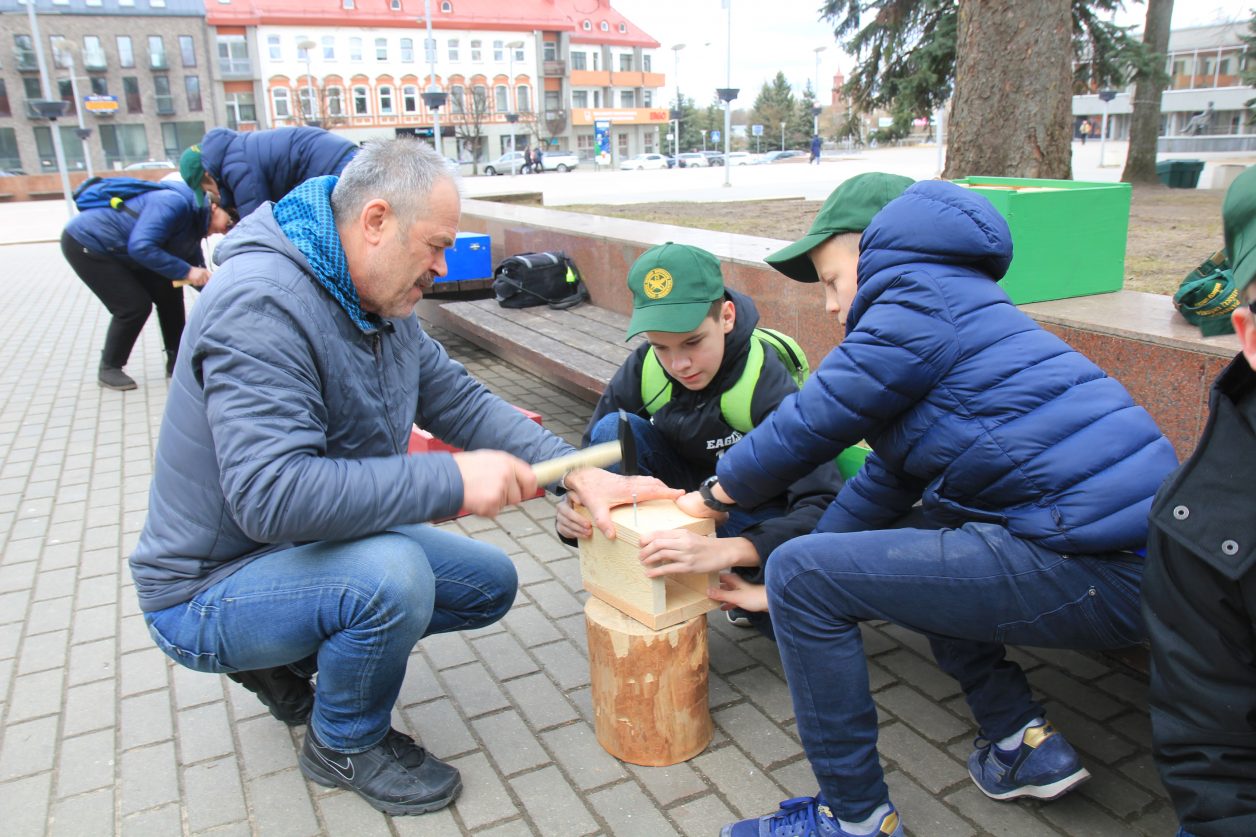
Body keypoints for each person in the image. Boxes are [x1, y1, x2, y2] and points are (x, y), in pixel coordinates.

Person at [130, 139, 675, 817]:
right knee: (392, 577)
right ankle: (344, 742)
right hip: (206, 587)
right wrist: (451, 481)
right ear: (376, 221)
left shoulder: (374, 300)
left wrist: (573, 477)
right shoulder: (260, 306)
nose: (443, 268)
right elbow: (273, 495)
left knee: (489, 583)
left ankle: (288, 652)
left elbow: (460, 400)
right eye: (436, 246)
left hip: (294, 553)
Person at [675, 173, 1179, 837]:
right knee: (910, 542)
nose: (829, 306)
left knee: (815, 570)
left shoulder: (911, 297)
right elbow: (880, 488)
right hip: (1126, 556)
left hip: (1102, 563)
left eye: (831, 279)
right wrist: (775, 586)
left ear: (879, 244)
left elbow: (817, 417)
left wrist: (711, 496)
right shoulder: (954, 306)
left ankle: (852, 818)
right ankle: (1019, 742)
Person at [556, 243, 842, 636]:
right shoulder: (646, 365)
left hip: (756, 512)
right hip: (684, 500)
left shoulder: (764, 381)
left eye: (692, 342)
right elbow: (590, 462)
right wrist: (573, 512)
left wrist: (736, 549)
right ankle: (635, 581)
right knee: (611, 435)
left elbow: (823, 503)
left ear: (726, 316)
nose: (679, 365)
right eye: (661, 347)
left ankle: (739, 583)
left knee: (784, 621)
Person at [1143, 165, 1256, 837]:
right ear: (1249, 335)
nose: (834, 308)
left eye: (835, 281)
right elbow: (1218, 770)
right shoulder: (1201, 527)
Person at [61, 180, 234, 391]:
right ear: (214, 207)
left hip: (122, 250)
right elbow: (141, 246)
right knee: (133, 306)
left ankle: (176, 361)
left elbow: (196, 272)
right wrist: (188, 272)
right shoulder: (174, 203)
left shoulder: (194, 224)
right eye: (229, 220)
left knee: (169, 292)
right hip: (89, 243)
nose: (225, 231)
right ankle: (110, 367)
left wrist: (226, 296)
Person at [179, 125, 359, 219]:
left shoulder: (235, 165)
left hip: (332, 164)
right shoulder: (236, 151)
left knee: (349, 230)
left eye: (208, 190)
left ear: (209, 175)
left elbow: (257, 223)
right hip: (337, 157)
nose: (215, 195)